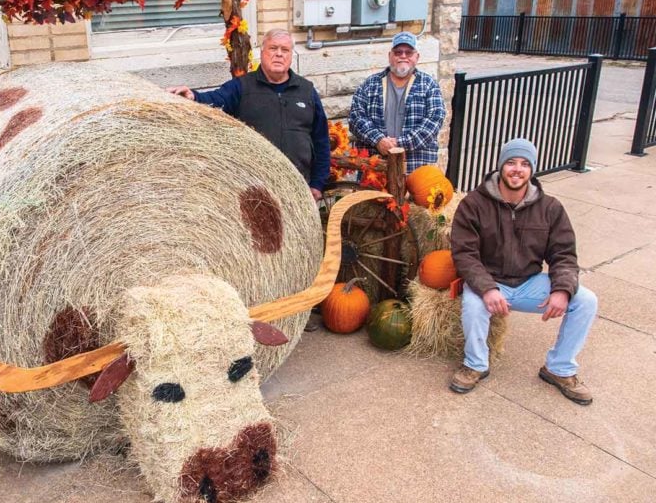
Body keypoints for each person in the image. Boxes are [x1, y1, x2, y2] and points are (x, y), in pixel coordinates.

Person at [449, 138, 598, 405]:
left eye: (525, 164)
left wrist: (562, 289)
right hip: (489, 281)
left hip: (528, 283)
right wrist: (487, 288)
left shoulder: (550, 208)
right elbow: (465, 254)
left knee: (586, 300)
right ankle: (476, 364)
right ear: (500, 166)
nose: (517, 169)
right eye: (511, 162)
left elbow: (564, 254)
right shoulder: (474, 204)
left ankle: (559, 368)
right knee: (472, 304)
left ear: (532, 170)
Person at [167, 28, 330, 201]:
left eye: (285, 50)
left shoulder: (306, 91)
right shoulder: (242, 87)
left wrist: (318, 184)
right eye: (273, 48)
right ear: (262, 52)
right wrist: (193, 96)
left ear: (291, 55)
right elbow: (216, 100)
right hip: (255, 189)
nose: (279, 54)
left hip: (299, 186)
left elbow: (321, 139)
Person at [348, 31, 446, 172]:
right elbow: (355, 118)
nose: (403, 56)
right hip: (375, 167)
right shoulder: (370, 84)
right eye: (398, 52)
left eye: (408, 52)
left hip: (416, 168)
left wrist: (401, 144)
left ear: (417, 57)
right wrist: (379, 140)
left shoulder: (429, 85)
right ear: (390, 56)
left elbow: (434, 122)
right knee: (373, 194)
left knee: (419, 193)